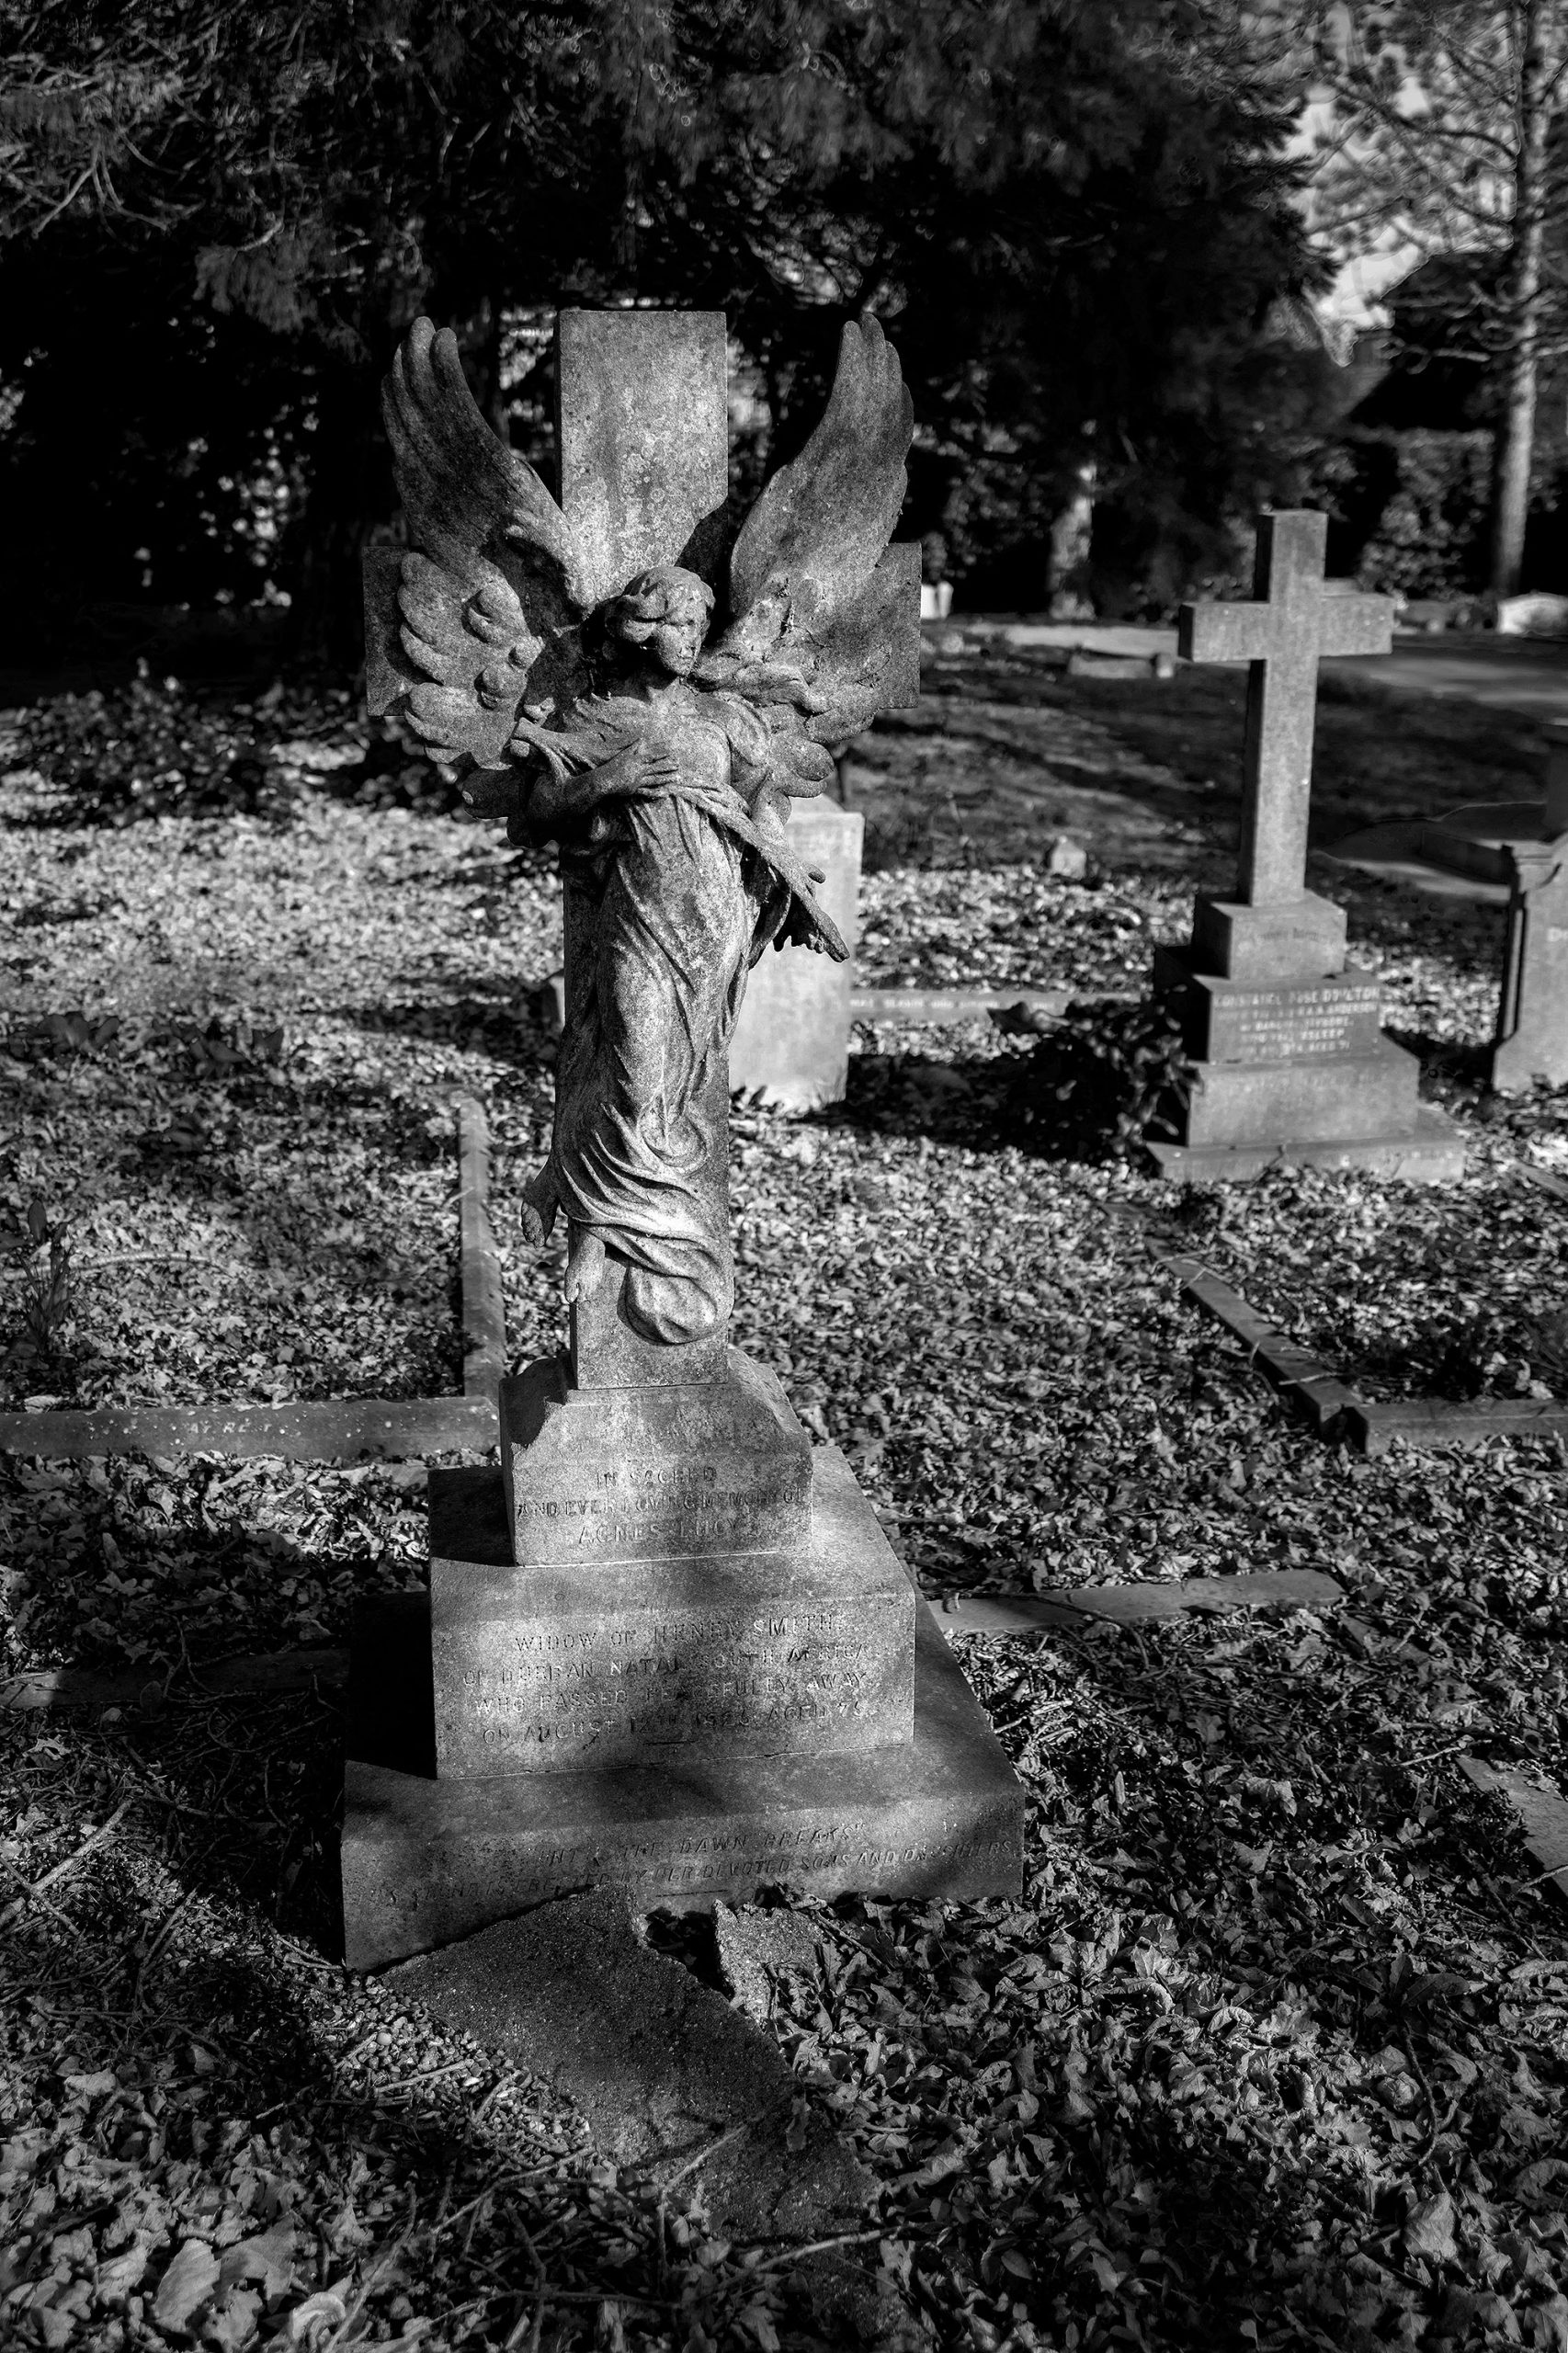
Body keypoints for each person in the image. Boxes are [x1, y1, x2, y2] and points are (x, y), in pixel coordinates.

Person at [512, 565, 843, 1346]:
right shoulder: (599, 716)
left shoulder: (725, 719)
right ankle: (602, 1216)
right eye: (676, 627)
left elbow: (762, 801)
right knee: (631, 1064)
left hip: (716, 917)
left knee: (682, 1080)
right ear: (639, 630)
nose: (690, 642)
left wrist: (777, 866)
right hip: (638, 914)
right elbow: (541, 813)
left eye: (700, 628)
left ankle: (613, 1225)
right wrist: (609, 781)